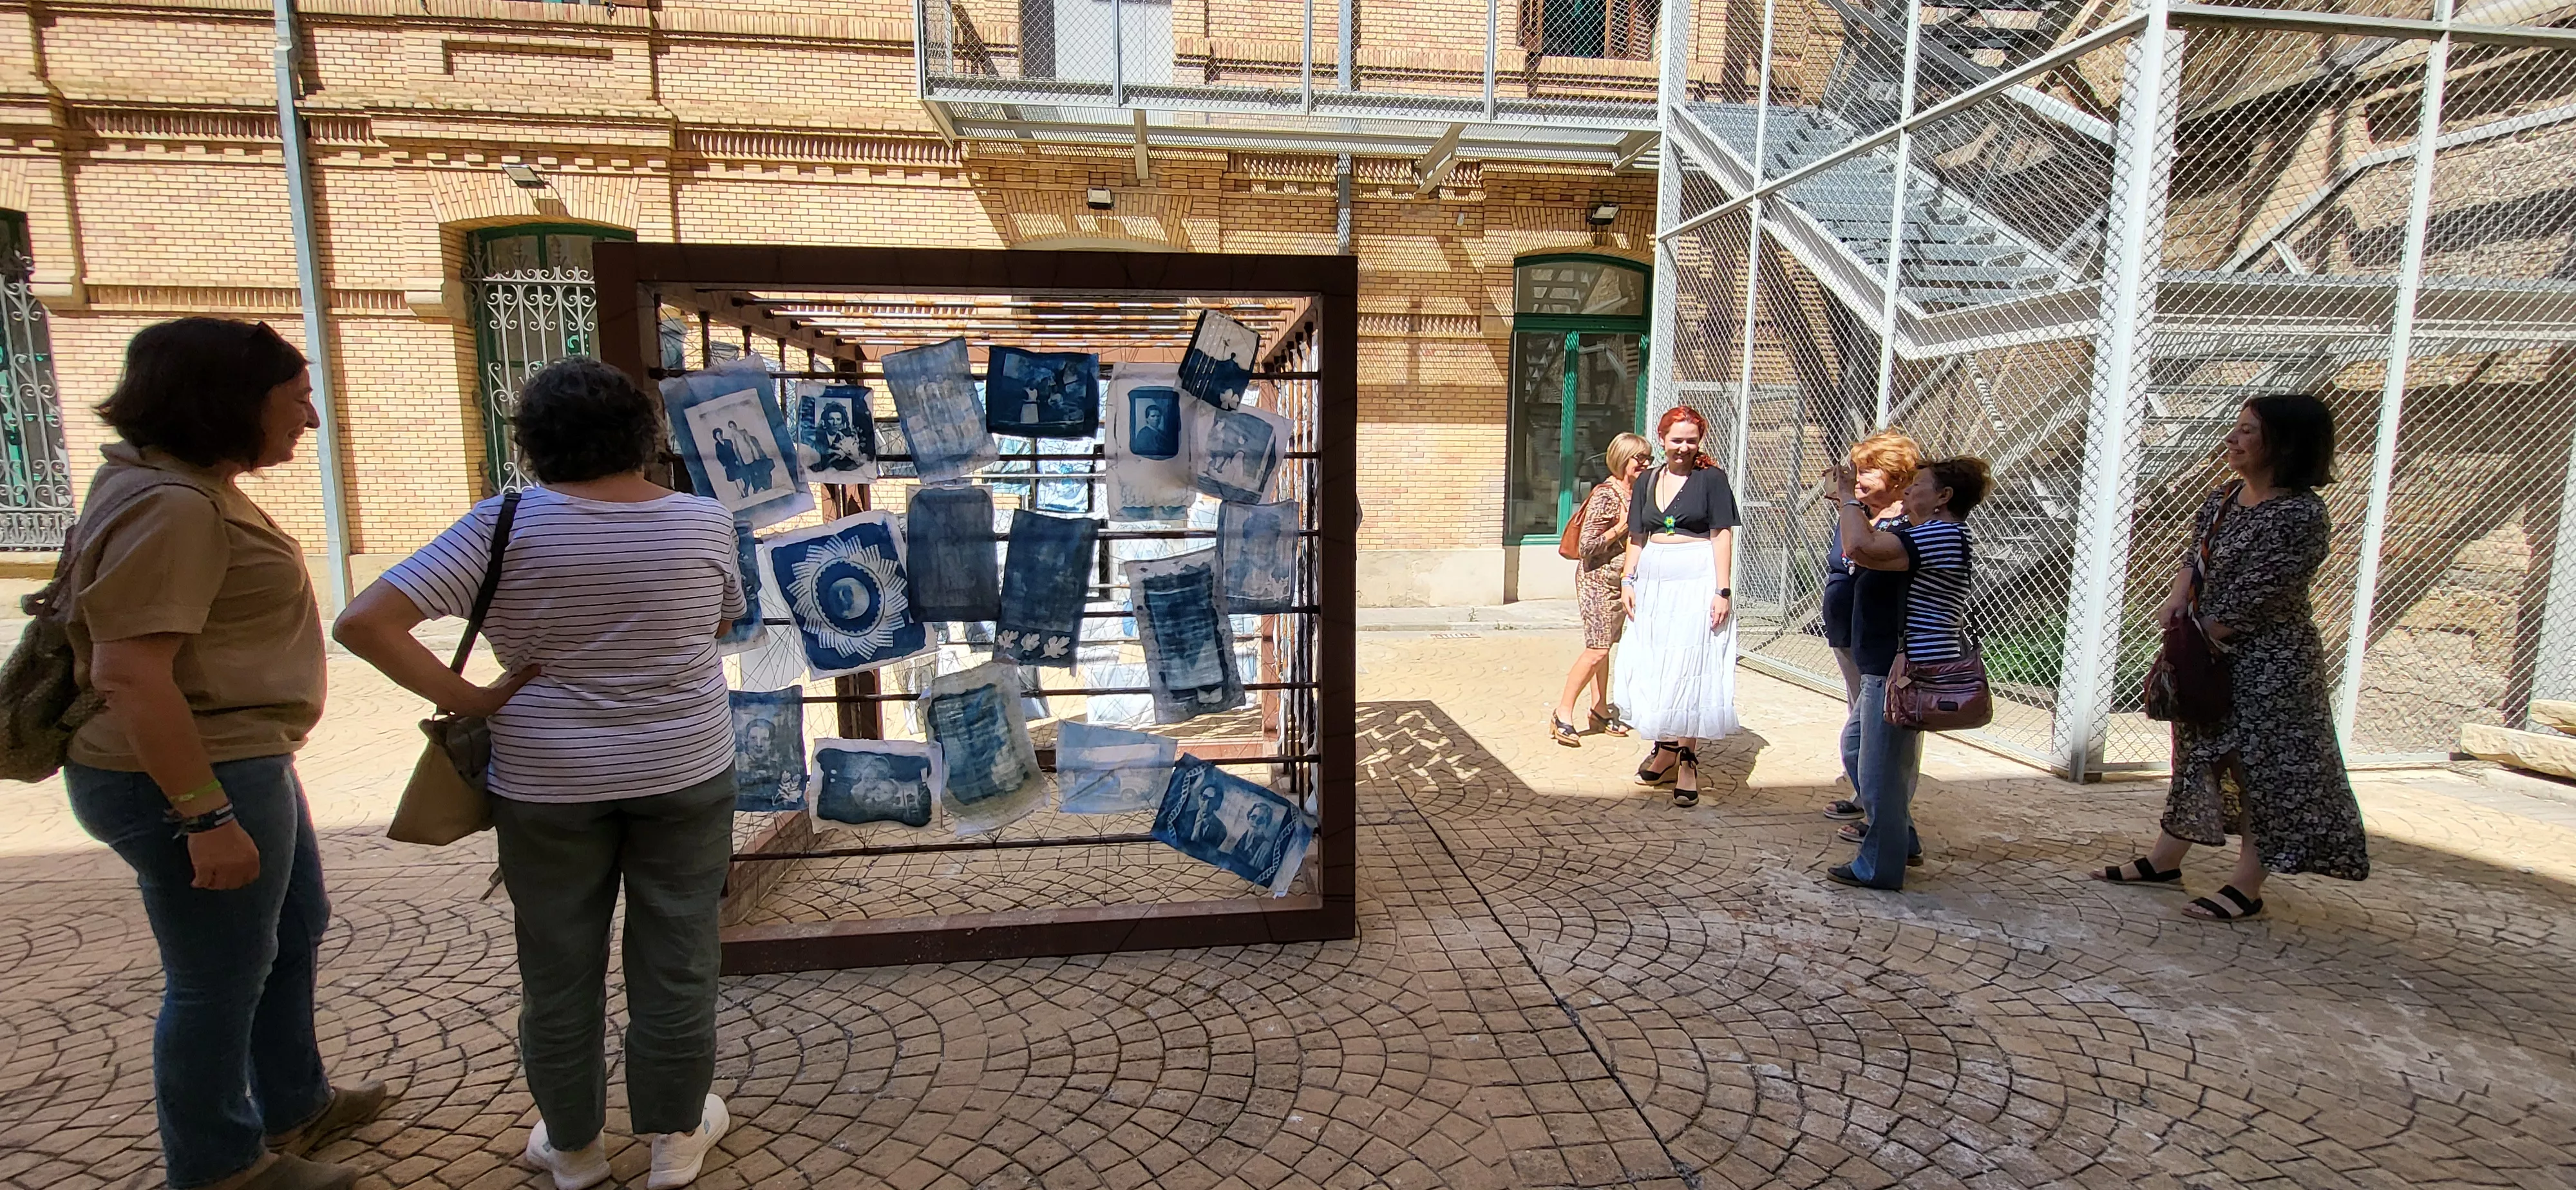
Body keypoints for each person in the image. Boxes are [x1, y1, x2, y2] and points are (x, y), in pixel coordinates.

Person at [334, 357, 746, 1190]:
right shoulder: (702, 520)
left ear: (531, 442)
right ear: (643, 434)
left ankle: (573, 1148)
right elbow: (721, 622)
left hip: (546, 781)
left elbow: (364, 622)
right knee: (678, 955)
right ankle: (674, 1138)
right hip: (683, 768)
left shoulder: (502, 525)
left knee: (557, 965)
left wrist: (472, 699)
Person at [56, 319, 388, 1190]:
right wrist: (204, 815)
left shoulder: (178, 485)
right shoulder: (173, 505)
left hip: (243, 758)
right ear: (231, 402)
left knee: (292, 929)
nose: (310, 419)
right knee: (216, 977)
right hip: (193, 773)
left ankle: (294, 1102)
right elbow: (131, 672)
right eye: (295, 399)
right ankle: (220, 1165)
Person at [2096, 395, 2367, 920]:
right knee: (2197, 753)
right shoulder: (2223, 498)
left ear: (2283, 444)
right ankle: (2165, 861)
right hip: (2208, 651)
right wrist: (2177, 605)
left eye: (2247, 431)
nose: (2232, 439)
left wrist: (2199, 636)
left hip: (2269, 663)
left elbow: (2266, 592)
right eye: (2236, 428)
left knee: (2258, 766)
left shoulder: (2301, 514)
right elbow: (2192, 559)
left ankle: (2247, 886)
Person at [1824, 455, 1990, 891]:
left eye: (1919, 485)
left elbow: (1861, 548)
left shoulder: (1941, 534)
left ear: (1943, 497)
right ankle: (1904, 838)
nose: (1910, 490)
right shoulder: (1925, 531)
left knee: (1881, 770)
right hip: (1884, 664)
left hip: (1902, 668)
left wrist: (1847, 497)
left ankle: (1880, 865)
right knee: (1861, 751)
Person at [1614, 408, 1743, 807]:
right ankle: (1666, 748)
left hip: (1696, 577)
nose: (1683, 448)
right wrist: (1628, 580)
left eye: (1691, 440)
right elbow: (1637, 535)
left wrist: (1722, 590)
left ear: (1699, 441)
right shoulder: (1648, 480)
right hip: (1654, 580)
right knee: (1657, 664)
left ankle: (1688, 756)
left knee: (1690, 664)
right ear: (1663, 440)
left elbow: (1721, 534)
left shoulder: (1712, 479)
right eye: (1676, 440)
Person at [1820, 431, 1921, 827]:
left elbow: (1866, 555)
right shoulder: (1858, 511)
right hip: (1849, 630)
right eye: (1856, 470)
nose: (1856, 479)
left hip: (1887, 638)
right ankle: (1865, 795)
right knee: (1860, 717)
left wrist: (1849, 500)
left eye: (1867, 471)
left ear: (1897, 477)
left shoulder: (1910, 520)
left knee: (1892, 725)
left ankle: (1892, 816)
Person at [1551, 432, 1651, 745]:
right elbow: (1587, 546)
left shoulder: (1637, 492)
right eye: (1639, 458)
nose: (1645, 464)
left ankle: (1599, 709)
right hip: (1596, 581)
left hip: (1620, 582)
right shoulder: (1606, 495)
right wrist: (1621, 528)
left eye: (1648, 458)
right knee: (1597, 649)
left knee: (1604, 646)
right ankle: (1562, 713)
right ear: (1622, 459)